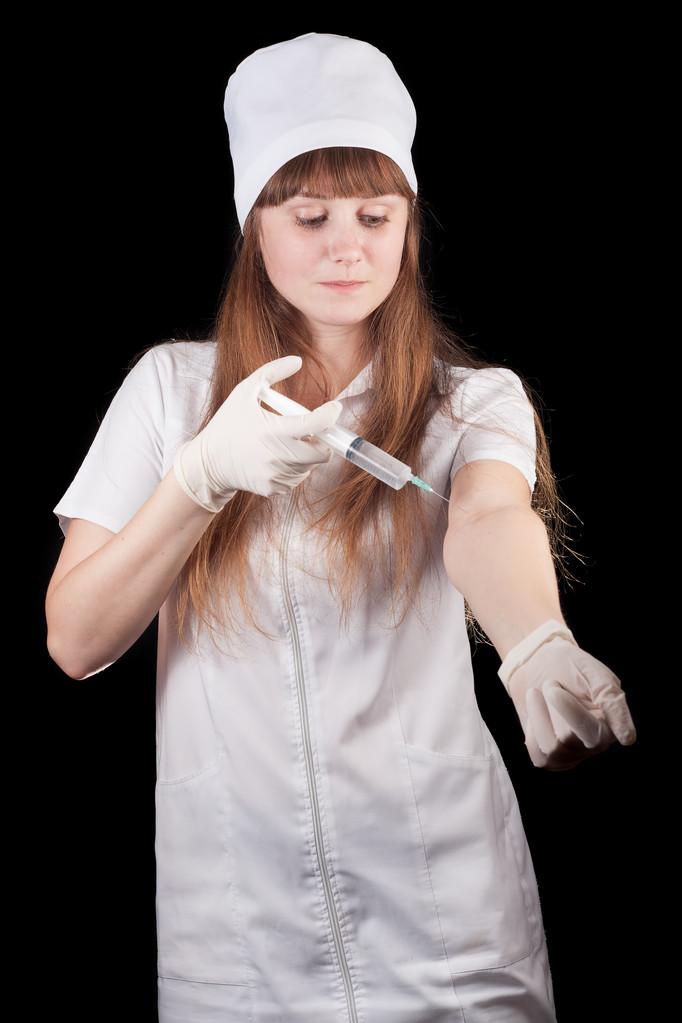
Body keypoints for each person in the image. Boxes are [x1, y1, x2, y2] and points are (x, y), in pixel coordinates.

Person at [46, 32, 636, 1022]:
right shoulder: (169, 393)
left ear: (408, 223)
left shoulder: (471, 401)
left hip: (450, 929)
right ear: (255, 224)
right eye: (310, 215)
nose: (347, 245)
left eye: (375, 214)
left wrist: (537, 641)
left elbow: (488, 519)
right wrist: (199, 477)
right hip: (240, 940)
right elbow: (76, 638)